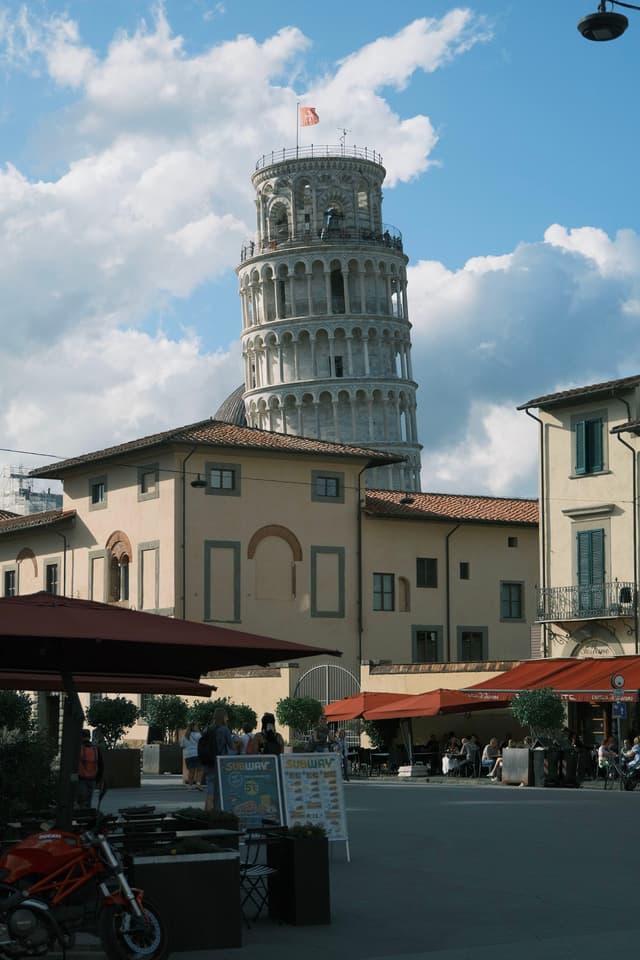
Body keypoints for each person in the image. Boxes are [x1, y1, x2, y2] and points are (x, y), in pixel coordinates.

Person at [203, 707, 235, 811]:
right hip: (220, 762)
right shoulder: (224, 730)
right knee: (219, 788)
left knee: (210, 786)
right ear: (223, 717)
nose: (227, 719)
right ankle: (214, 811)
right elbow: (231, 746)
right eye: (226, 717)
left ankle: (207, 811)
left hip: (208, 761)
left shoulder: (207, 729)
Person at [77, 728, 104, 808]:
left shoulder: (78, 748)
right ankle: (87, 816)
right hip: (92, 779)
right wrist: (98, 779)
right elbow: (101, 765)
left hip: (81, 778)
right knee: (89, 800)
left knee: (81, 800)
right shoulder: (95, 749)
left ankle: (81, 817)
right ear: (89, 736)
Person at [180, 722, 203, 790]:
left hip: (188, 755)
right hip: (197, 754)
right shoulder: (198, 735)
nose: (198, 727)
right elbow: (202, 744)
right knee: (200, 770)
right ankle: (198, 784)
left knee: (191, 771)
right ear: (193, 727)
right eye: (196, 726)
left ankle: (190, 786)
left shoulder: (185, 736)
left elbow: (182, 746)